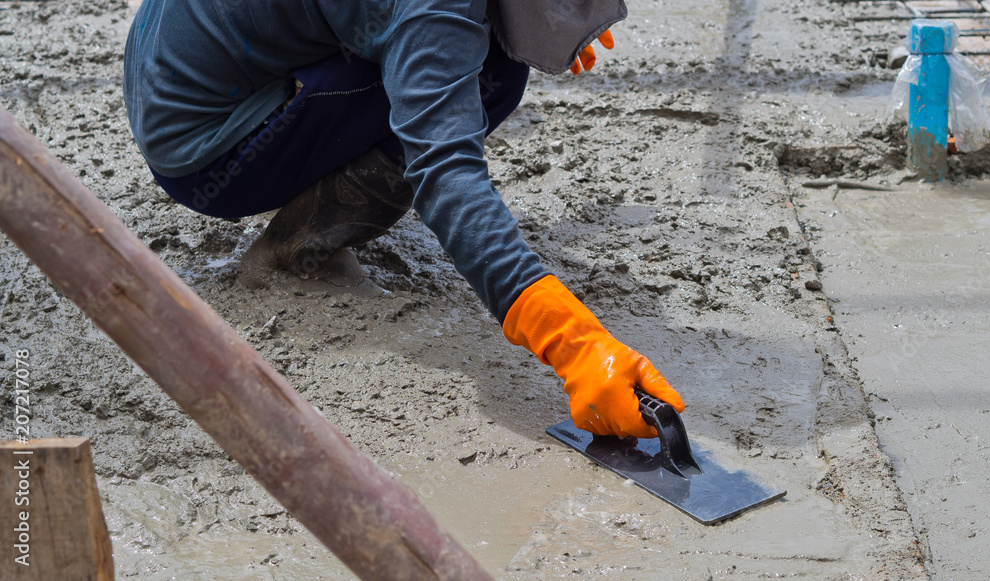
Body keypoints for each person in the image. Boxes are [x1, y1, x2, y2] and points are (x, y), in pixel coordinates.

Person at [123, 0, 685, 439]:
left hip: (169, 70)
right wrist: (571, 341)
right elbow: (444, 164)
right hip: (210, 147)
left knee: (460, 49)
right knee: (490, 76)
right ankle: (298, 249)